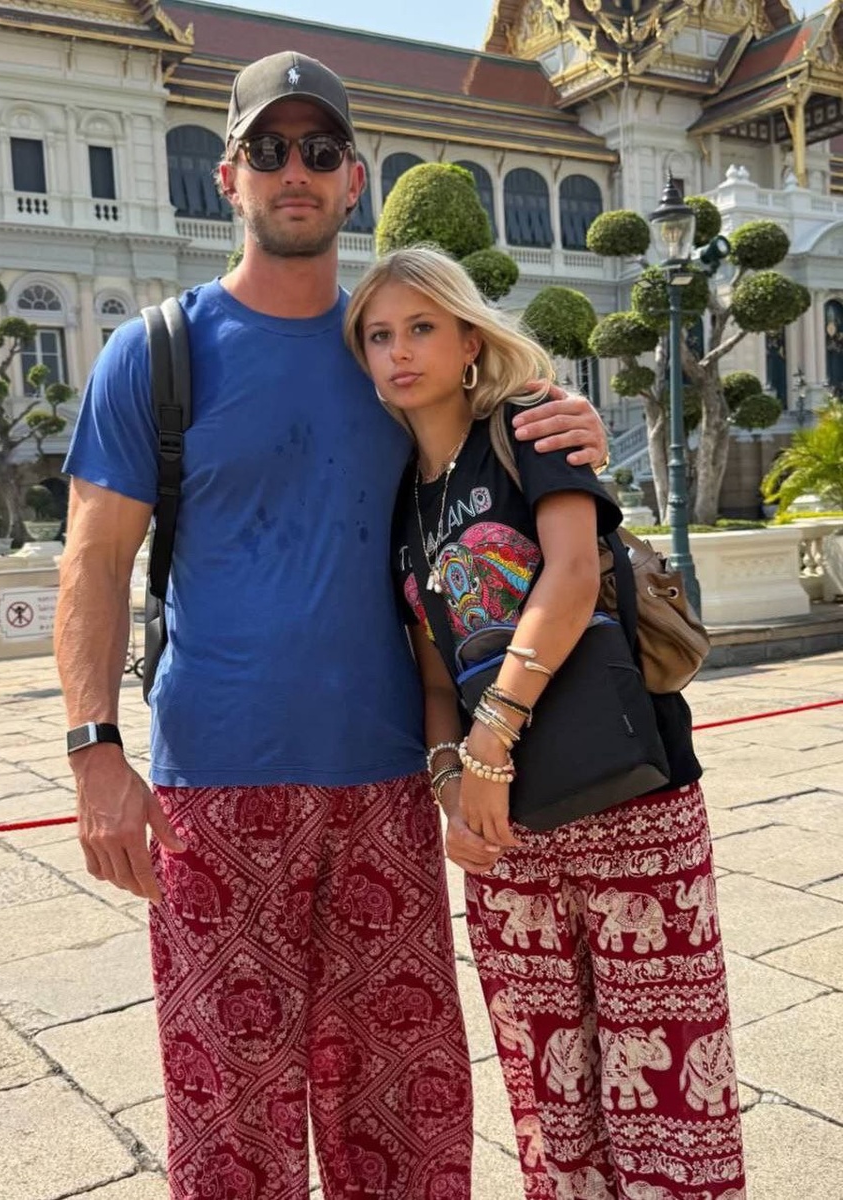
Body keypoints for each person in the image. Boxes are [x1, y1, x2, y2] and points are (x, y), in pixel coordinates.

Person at [53, 51, 609, 1200]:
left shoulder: (393, 355)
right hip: (216, 791)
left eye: (318, 149)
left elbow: (502, 458)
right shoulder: (157, 352)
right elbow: (93, 560)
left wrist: (571, 423)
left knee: (404, 1120)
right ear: (229, 175)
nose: (293, 169)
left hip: (385, 787)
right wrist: (93, 750)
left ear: (354, 179)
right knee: (230, 1126)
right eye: (268, 149)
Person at [344, 246, 746, 1200]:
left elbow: (568, 576)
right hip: (506, 827)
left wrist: (492, 742)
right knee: (547, 1082)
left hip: (629, 792)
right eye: (379, 336)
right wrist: (452, 783)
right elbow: (432, 670)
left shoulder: (527, 425)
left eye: (421, 328)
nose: (400, 352)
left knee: (665, 1078)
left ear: (469, 338)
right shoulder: (398, 500)